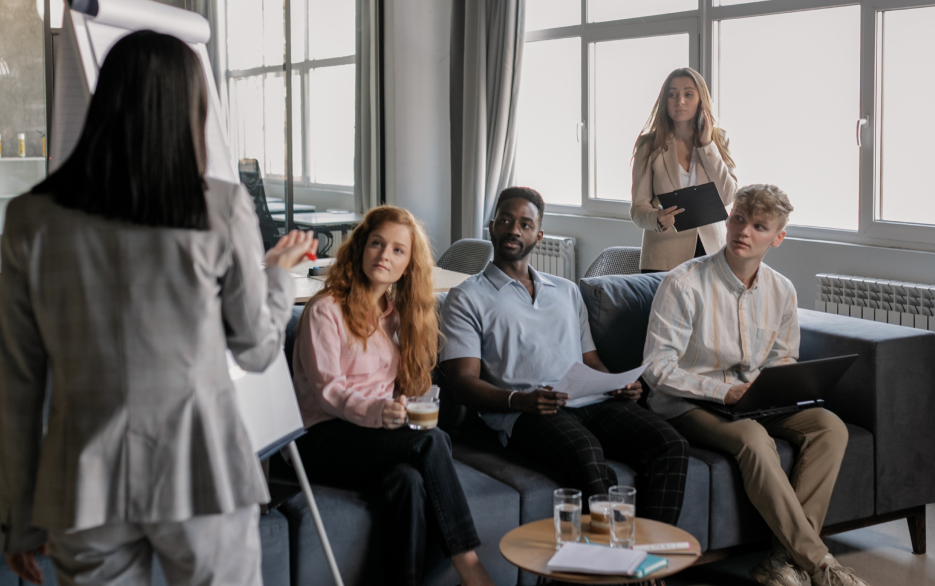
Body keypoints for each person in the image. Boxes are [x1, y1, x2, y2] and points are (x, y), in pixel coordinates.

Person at [0, 32, 314, 586]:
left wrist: (19, 517)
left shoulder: (30, 218)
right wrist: (277, 275)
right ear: (192, 110)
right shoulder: (221, 205)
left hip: (84, 483)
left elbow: (18, 384)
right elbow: (258, 348)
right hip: (203, 470)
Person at [642, 184, 871, 586]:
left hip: (754, 400)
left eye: (759, 226)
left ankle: (783, 560)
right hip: (690, 403)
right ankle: (820, 564)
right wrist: (724, 392)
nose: (743, 231)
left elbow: (783, 358)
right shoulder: (683, 283)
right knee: (751, 437)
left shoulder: (782, 290)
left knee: (829, 427)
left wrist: (776, 387)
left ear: (777, 238)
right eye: (738, 219)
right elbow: (656, 368)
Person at [440, 187, 690, 525]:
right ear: (492, 227)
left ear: (538, 236)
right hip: (527, 412)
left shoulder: (567, 291)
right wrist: (519, 400)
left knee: (670, 444)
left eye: (525, 224)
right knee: (585, 452)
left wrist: (617, 384)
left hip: (591, 401)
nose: (514, 230)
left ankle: (649, 552)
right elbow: (461, 382)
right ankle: (613, 555)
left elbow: (591, 361)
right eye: (506, 221)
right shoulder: (466, 297)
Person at [291, 206, 495, 586]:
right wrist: (378, 411)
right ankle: (470, 566)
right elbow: (328, 391)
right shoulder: (325, 310)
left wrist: (404, 403)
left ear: (408, 266)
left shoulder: (395, 316)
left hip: (372, 436)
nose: (385, 255)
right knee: (432, 440)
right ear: (360, 248)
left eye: (398, 250)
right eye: (377, 243)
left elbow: (397, 387)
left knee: (408, 481)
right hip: (319, 438)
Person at [631, 67, 738, 272]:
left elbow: (728, 196)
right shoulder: (649, 145)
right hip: (663, 257)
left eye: (688, 94)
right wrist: (657, 218)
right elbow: (637, 210)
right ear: (665, 101)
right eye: (672, 95)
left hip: (711, 255)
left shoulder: (719, 139)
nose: (680, 101)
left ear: (701, 100)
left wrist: (707, 145)